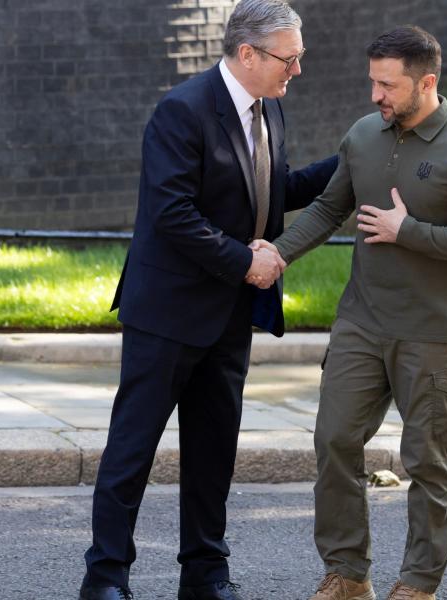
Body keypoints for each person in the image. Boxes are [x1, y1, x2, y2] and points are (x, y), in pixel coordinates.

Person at [78, 1, 337, 598]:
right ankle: (105, 578)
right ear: (248, 53)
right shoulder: (181, 110)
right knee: (132, 450)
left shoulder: (269, 109)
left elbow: (273, 194)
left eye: (300, 57)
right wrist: (246, 261)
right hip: (167, 313)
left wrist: (348, 163)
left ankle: (204, 574)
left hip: (228, 316)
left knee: (213, 451)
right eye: (288, 58)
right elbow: (171, 214)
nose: (296, 70)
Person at [263, 25, 447, 600]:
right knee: (335, 440)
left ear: (427, 82)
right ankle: (347, 574)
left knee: (426, 461)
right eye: (373, 82)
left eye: (388, 85)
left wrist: (409, 231)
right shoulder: (364, 135)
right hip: (361, 323)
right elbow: (329, 208)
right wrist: (278, 254)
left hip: (432, 334)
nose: (377, 95)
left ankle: (418, 584)